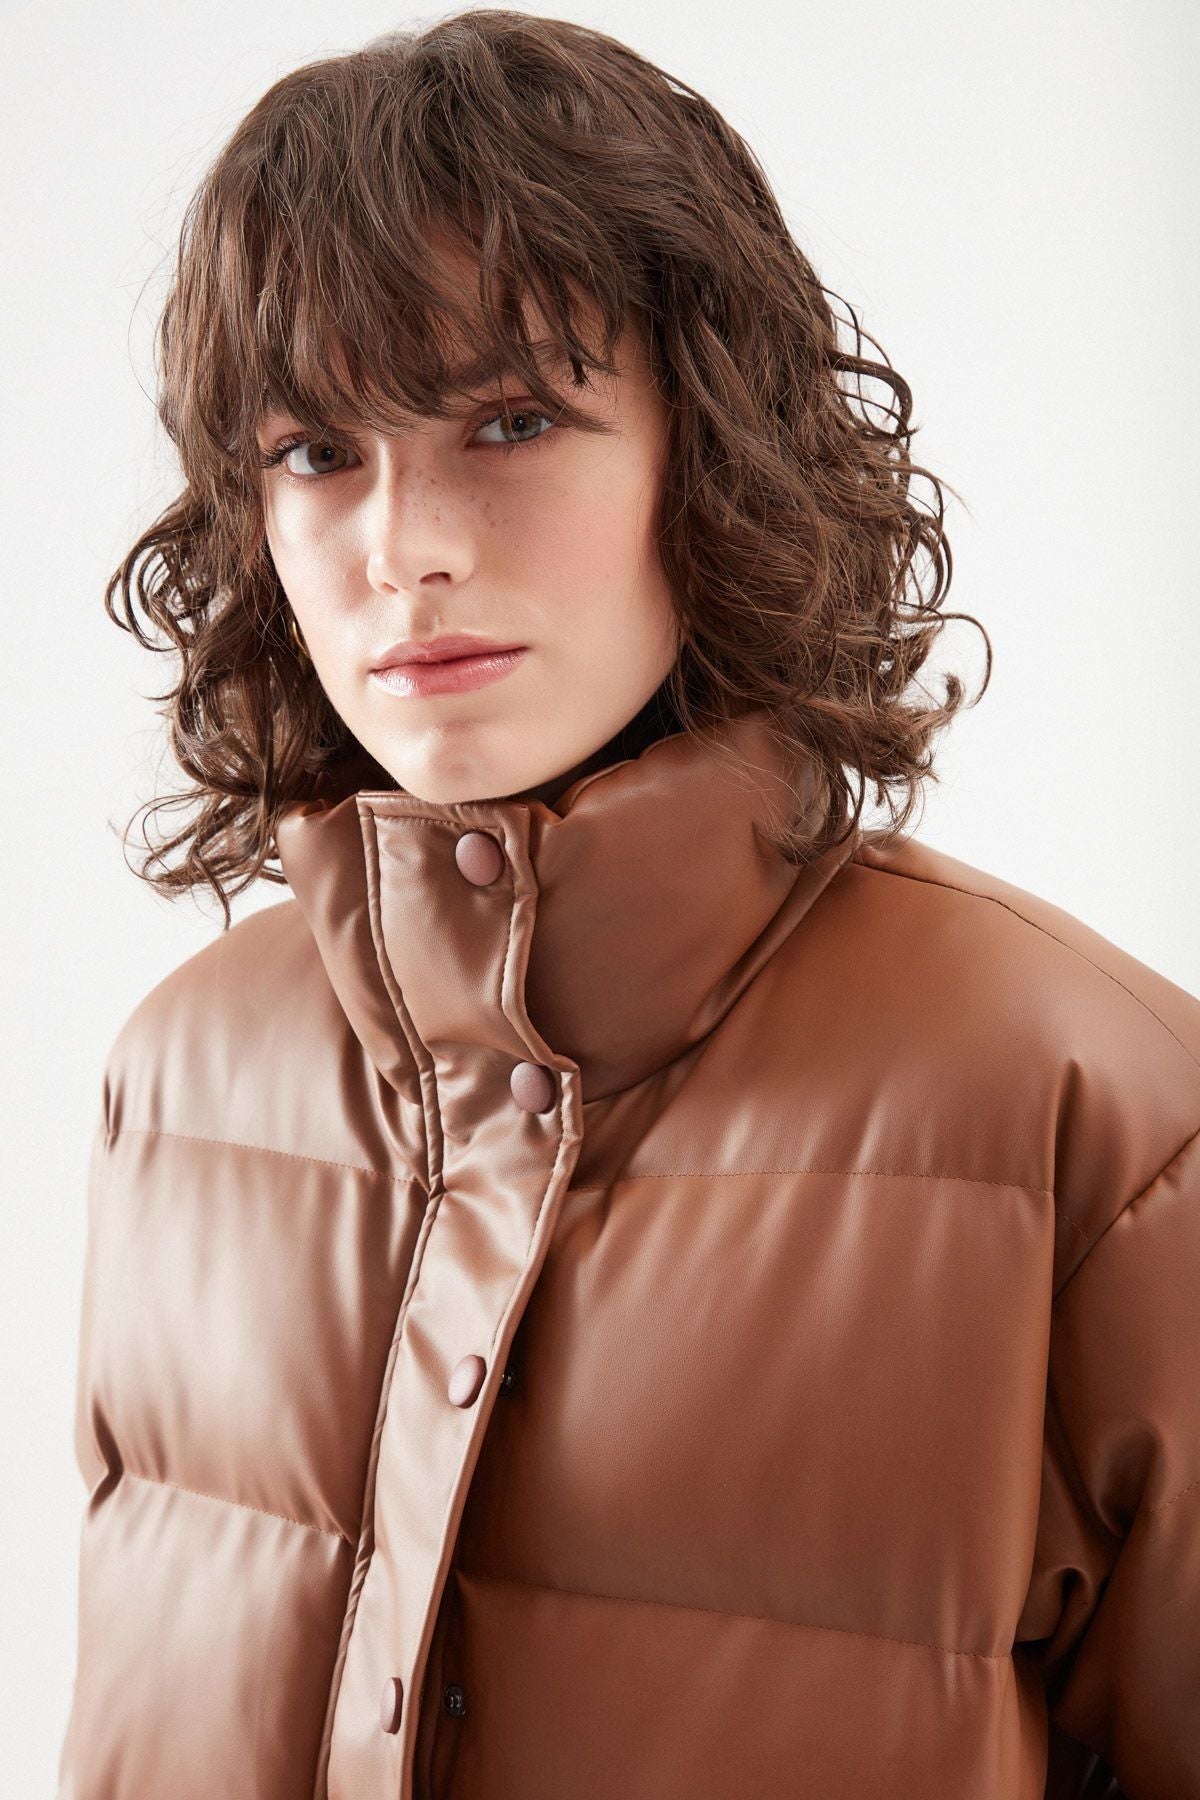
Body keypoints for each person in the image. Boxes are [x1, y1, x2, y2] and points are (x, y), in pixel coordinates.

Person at [57, 12, 1198, 1800]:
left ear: (711, 448)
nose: (403, 545)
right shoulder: (182, 1075)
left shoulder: (1087, 1111)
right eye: (316, 451)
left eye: (512, 421)